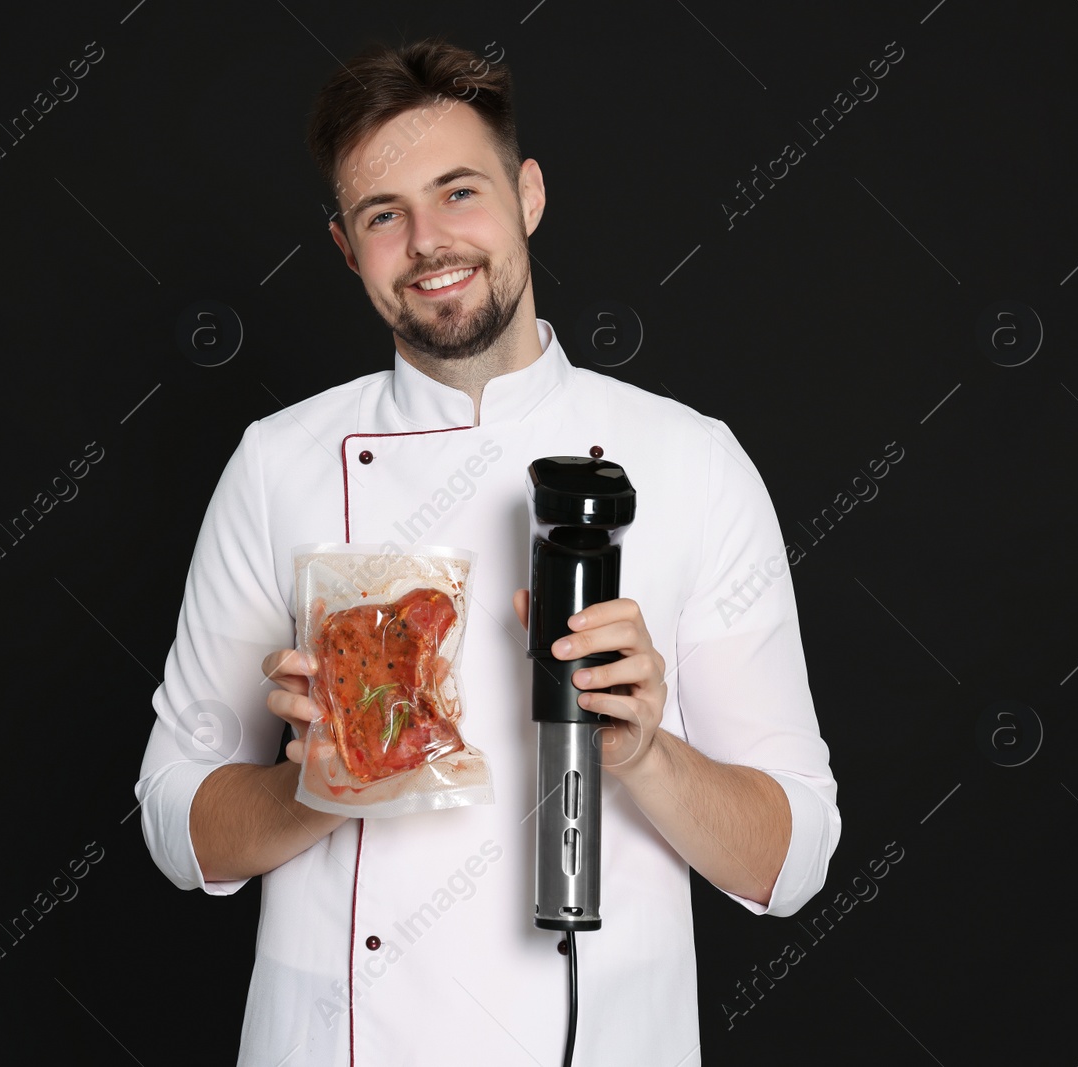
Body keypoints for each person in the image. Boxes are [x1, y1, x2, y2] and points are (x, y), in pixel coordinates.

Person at [135, 36, 840, 1065]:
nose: (427, 241)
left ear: (528, 195)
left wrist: (645, 751)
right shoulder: (278, 463)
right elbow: (171, 818)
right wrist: (314, 787)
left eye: (458, 191)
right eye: (384, 215)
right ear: (346, 247)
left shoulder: (690, 460)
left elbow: (794, 859)